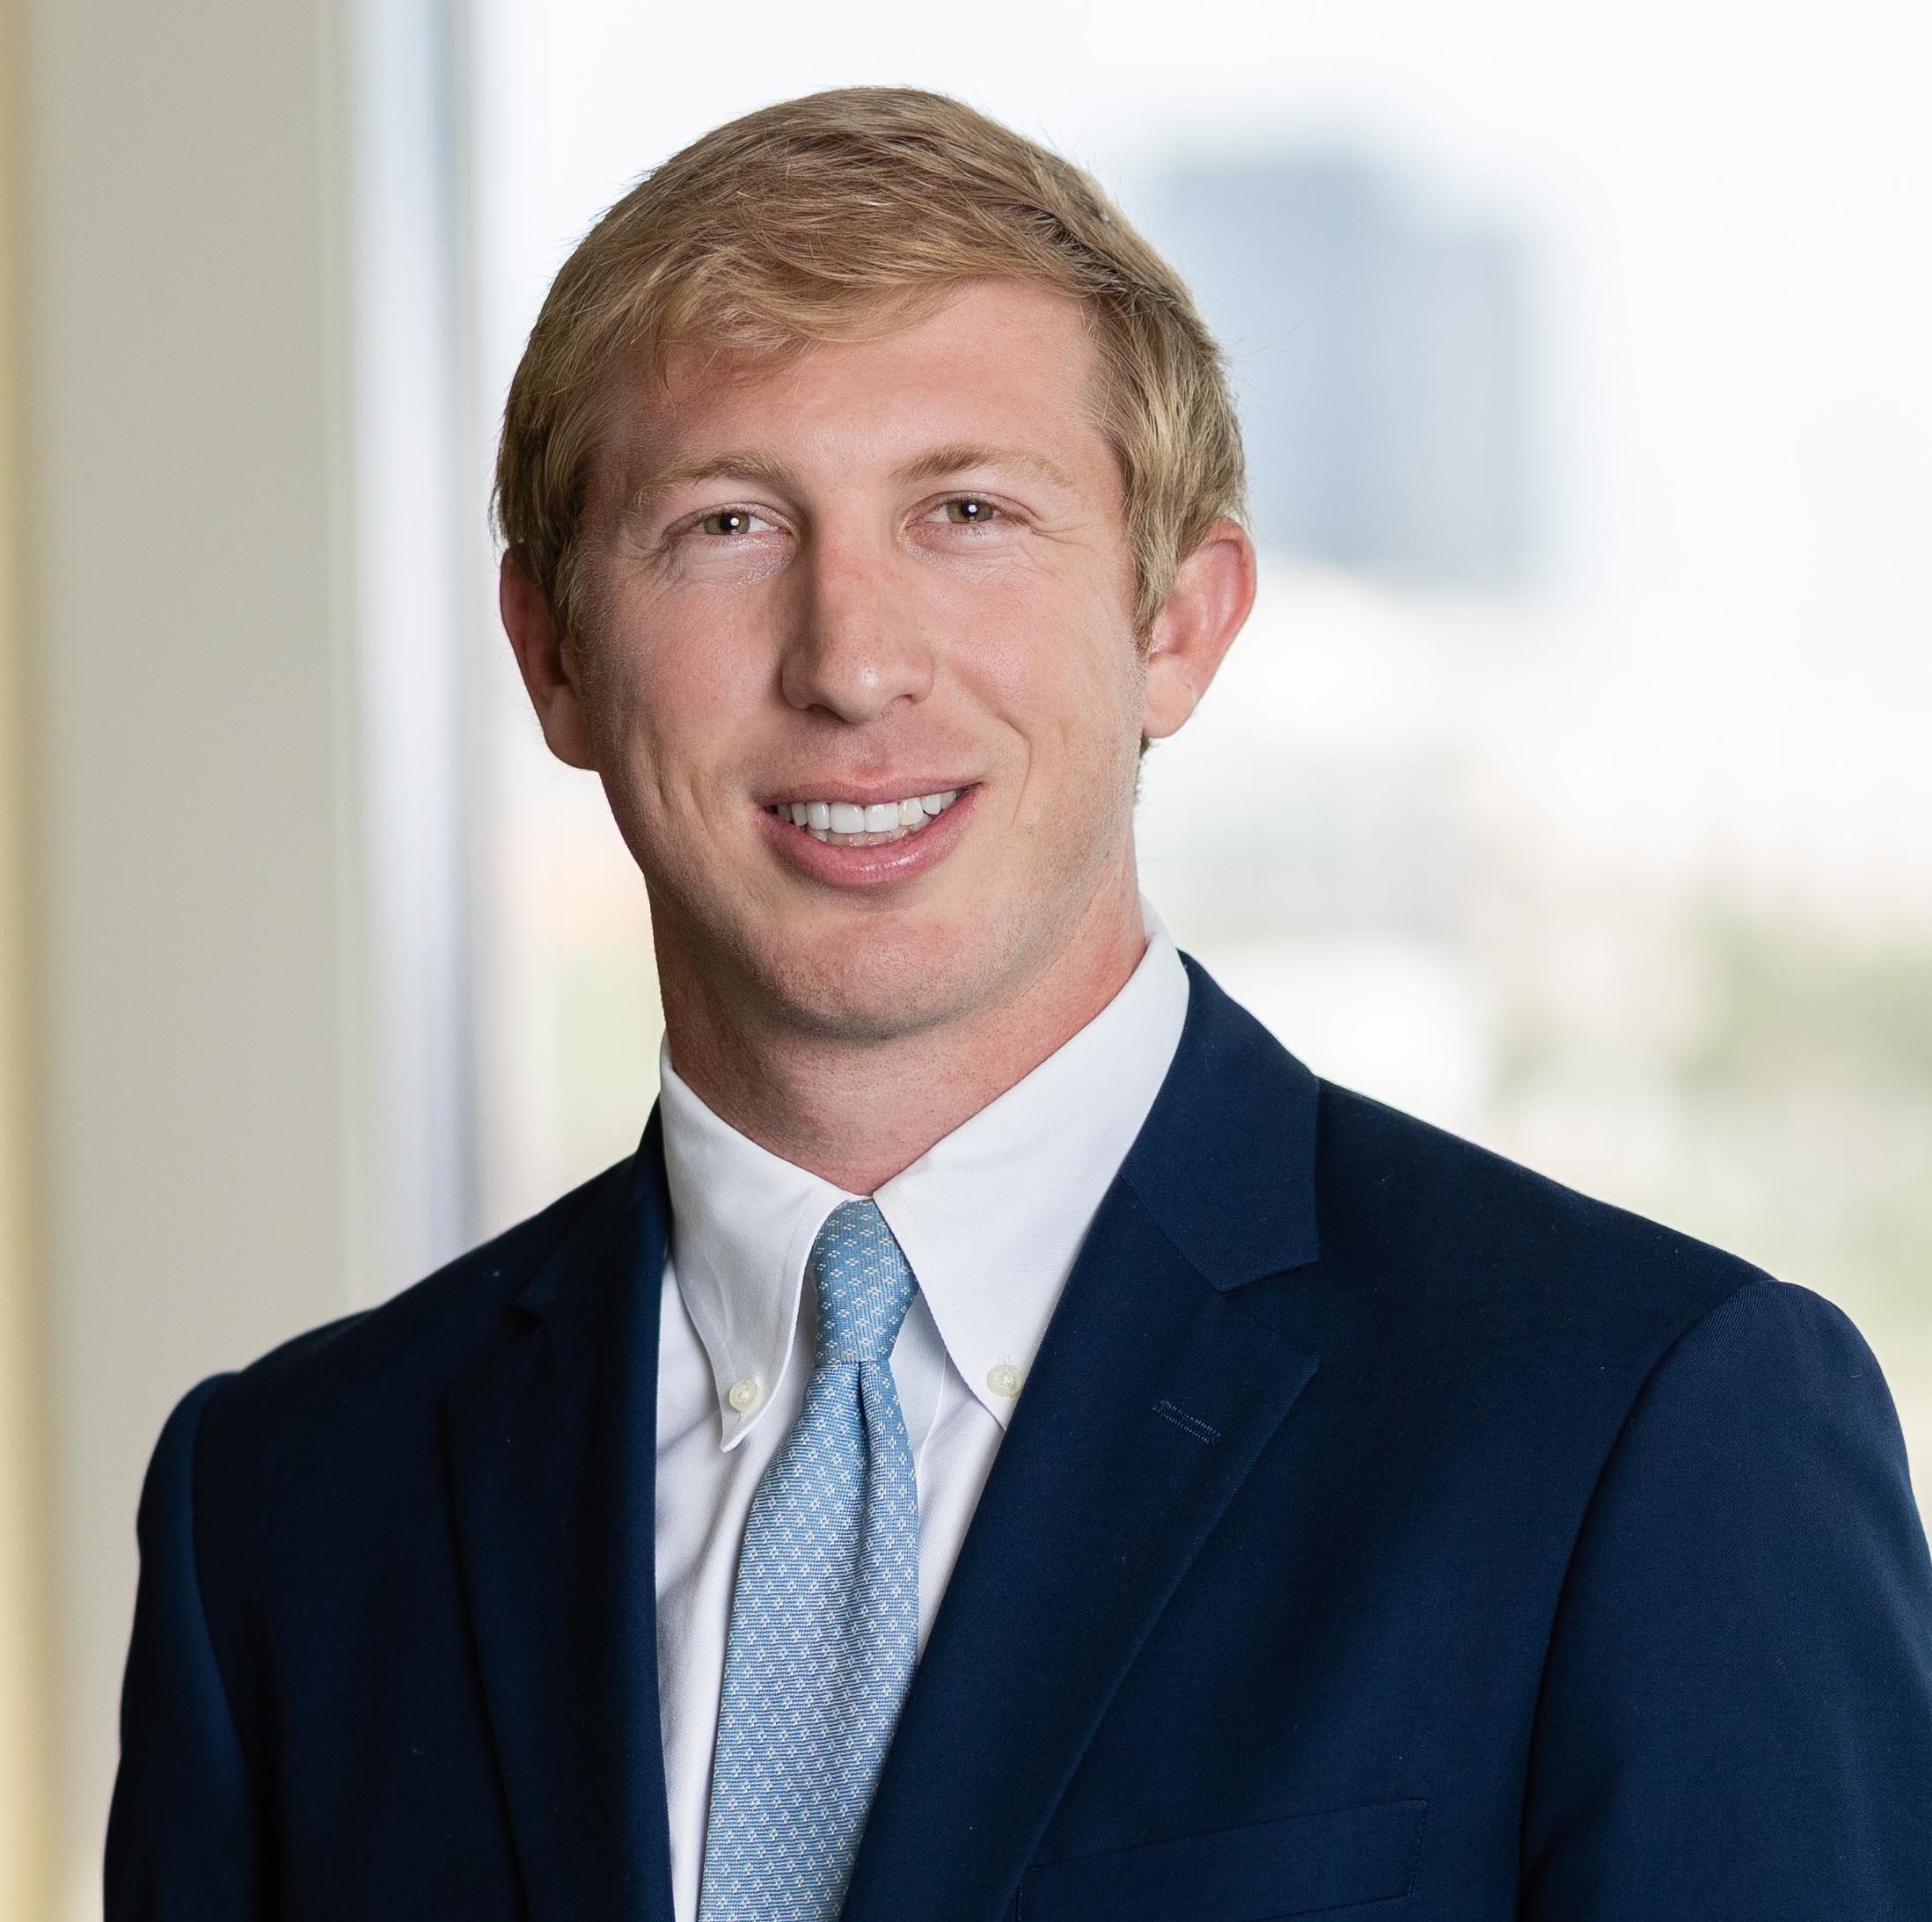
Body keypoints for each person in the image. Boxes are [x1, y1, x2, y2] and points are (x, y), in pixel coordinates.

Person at [106, 86, 1932, 1922]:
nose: (852, 661)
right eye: (728, 523)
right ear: (553, 654)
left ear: (1179, 623)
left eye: (967, 512)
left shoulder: (1649, 1433)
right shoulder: (282, 1511)